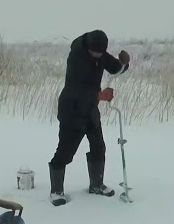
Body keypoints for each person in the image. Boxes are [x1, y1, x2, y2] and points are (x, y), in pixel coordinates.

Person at [48, 30, 130, 206]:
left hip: (90, 111)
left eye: (101, 53)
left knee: (99, 147)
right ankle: (56, 191)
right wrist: (100, 96)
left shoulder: (99, 53)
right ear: (88, 47)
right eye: (95, 52)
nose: (98, 55)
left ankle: (97, 184)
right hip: (72, 110)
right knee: (65, 152)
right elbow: (75, 90)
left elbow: (114, 67)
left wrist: (124, 63)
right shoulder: (76, 57)